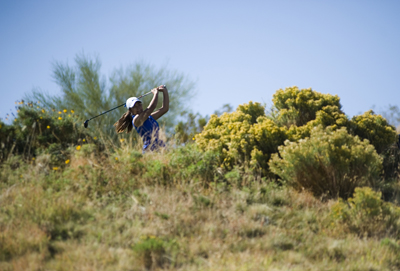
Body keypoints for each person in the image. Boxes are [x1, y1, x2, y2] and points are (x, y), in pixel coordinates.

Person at [114, 85, 169, 152]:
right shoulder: (136, 120)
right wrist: (156, 93)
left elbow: (165, 108)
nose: (138, 108)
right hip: (149, 151)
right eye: (134, 107)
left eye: (139, 105)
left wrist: (165, 91)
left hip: (160, 148)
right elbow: (151, 107)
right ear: (131, 110)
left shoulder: (149, 117)